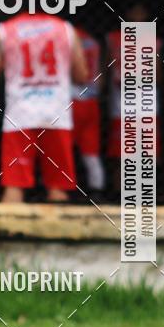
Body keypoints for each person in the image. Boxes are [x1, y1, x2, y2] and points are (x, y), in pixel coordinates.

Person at [0, 9, 88, 202]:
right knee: (58, 188)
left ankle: (7, 232)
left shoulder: (6, 30)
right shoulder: (65, 29)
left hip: (20, 114)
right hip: (56, 113)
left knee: (14, 186)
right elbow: (81, 74)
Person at [106, 2, 161, 195]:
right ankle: (119, 193)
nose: (138, 15)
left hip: (147, 104)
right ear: (127, 13)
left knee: (146, 152)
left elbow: (158, 74)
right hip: (121, 105)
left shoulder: (153, 40)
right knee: (120, 154)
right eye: (134, 10)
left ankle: (143, 193)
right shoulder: (113, 38)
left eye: (141, 11)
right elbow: (106, 70)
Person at [71, 25, 105, 198]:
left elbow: (77, 74)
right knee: (91, 148)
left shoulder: (67, 37)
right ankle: (96, 188)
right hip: (92, 100)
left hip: (72, 99)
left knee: (64, 146)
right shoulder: (93, 42)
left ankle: (64, 187)